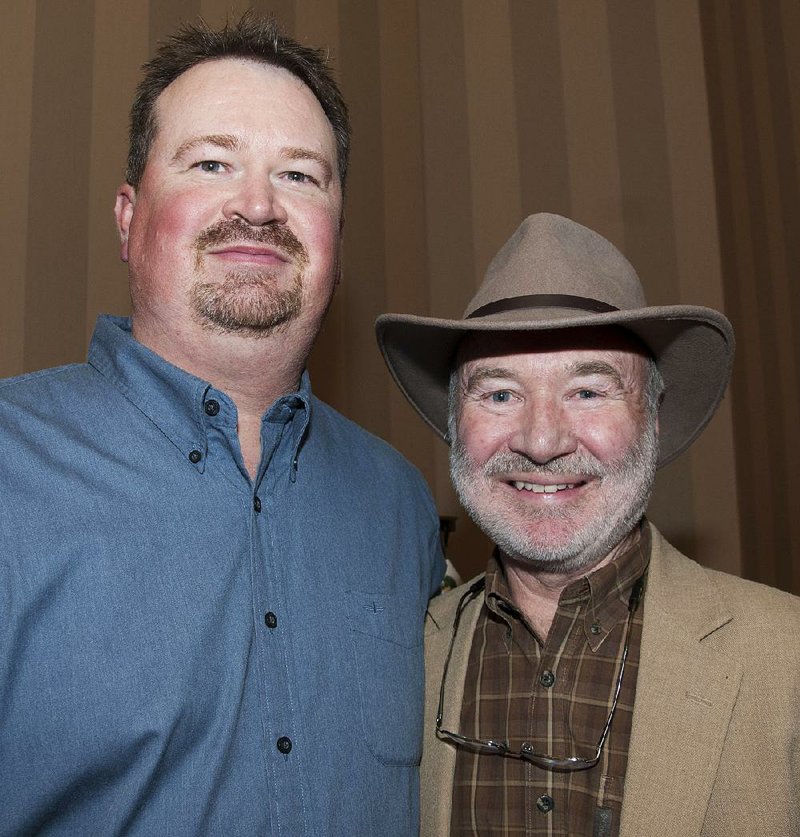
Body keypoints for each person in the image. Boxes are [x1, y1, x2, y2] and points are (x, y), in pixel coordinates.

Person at [0, 15, 443, 836]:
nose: (258, 205)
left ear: (336, 240)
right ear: (129, 218)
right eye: (212, 163)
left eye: (301, 176)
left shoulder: (401, 505)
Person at [376, 213, 800, 836]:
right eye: (498, 394)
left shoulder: (785, 661)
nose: (542, 441)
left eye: (588, 392)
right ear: (455, 423)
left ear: (652, 419)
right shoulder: (404, 657)